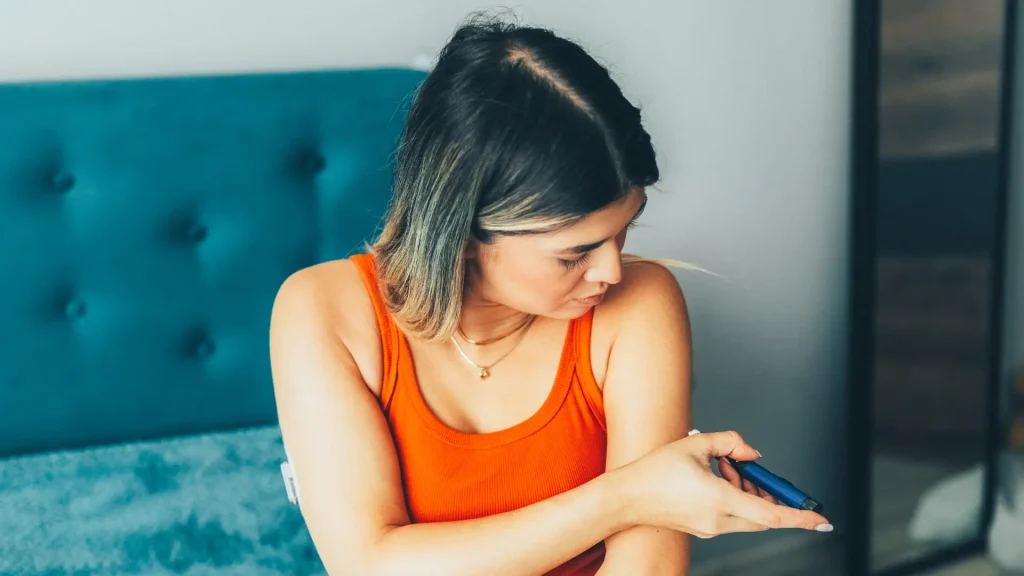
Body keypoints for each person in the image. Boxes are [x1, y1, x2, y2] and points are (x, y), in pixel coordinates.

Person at [269, 16, 832, 576]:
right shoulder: (324, 312)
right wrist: (628, 496)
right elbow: (370, 564)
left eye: (625, 231)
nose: (612, 270)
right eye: (573, 254)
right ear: (462, 235)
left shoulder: (641, 303)